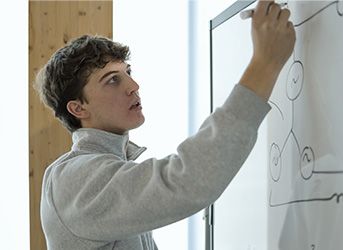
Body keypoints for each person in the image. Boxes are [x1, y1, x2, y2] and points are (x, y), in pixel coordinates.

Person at [35, 1, 296, 249]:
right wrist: (264, 65)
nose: (133, 87)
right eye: (113, 80)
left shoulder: (110, 167)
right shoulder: (74, 179)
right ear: (78, 108)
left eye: (128, 72)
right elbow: (187, 180)